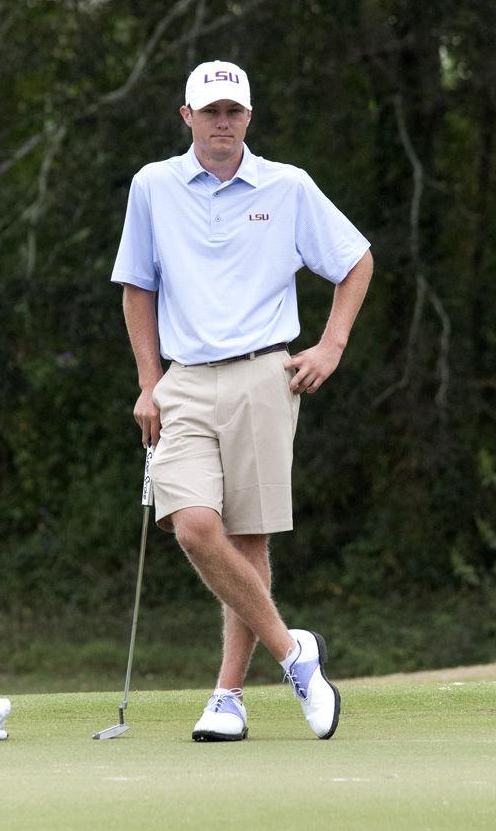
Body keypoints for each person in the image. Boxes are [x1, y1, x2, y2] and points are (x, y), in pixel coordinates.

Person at [111, 60, 373, 742]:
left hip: (264, 374)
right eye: (210, 111)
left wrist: (331, 346)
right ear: (187, 117)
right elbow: (137, 287)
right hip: (186, 378)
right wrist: (147, 382)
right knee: (196, 525)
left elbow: (354, 260)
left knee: (248, 539)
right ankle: (295, 654)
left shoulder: (287, 187)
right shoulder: (153, 185)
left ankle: (227, 698)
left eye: (234, 112)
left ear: (248, 119)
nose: (222, 122)